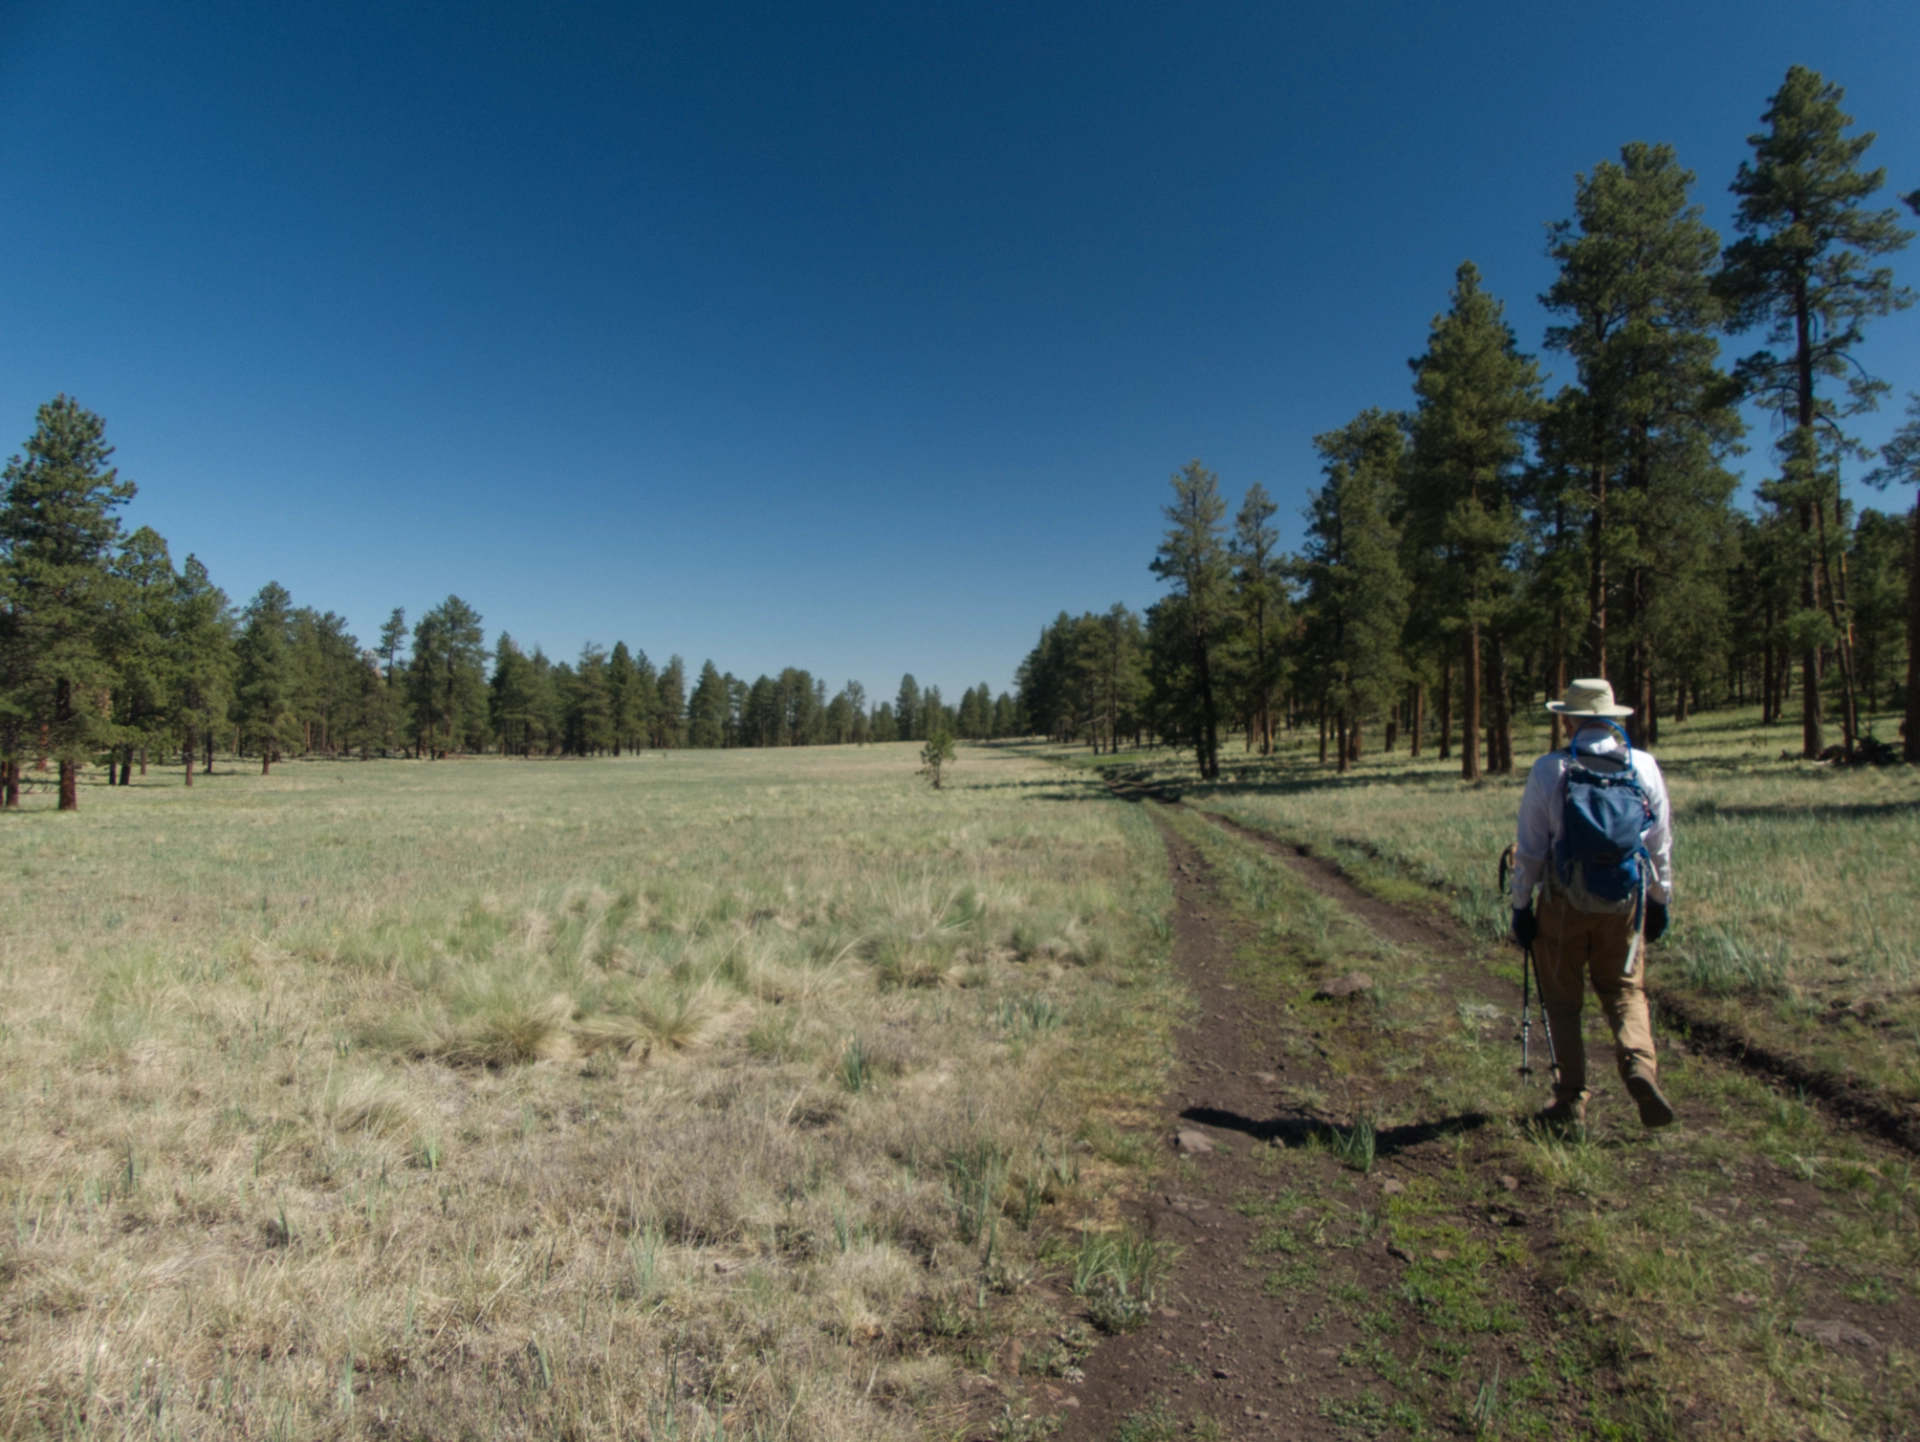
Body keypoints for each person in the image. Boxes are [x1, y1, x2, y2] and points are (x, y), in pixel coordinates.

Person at [1509, 678, 1675, 1130]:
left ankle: (1569, 1101)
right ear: (1612, 717)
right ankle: (1639, 1067)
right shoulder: (1643, 766)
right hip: (1625, 900)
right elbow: (1659, 844)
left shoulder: (1551, 769)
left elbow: (1530, 848)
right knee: (1623, 989)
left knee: (1564, 1002)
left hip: (1564, 901)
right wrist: (1660, 900)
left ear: (1568, 720)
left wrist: (1521, 907)